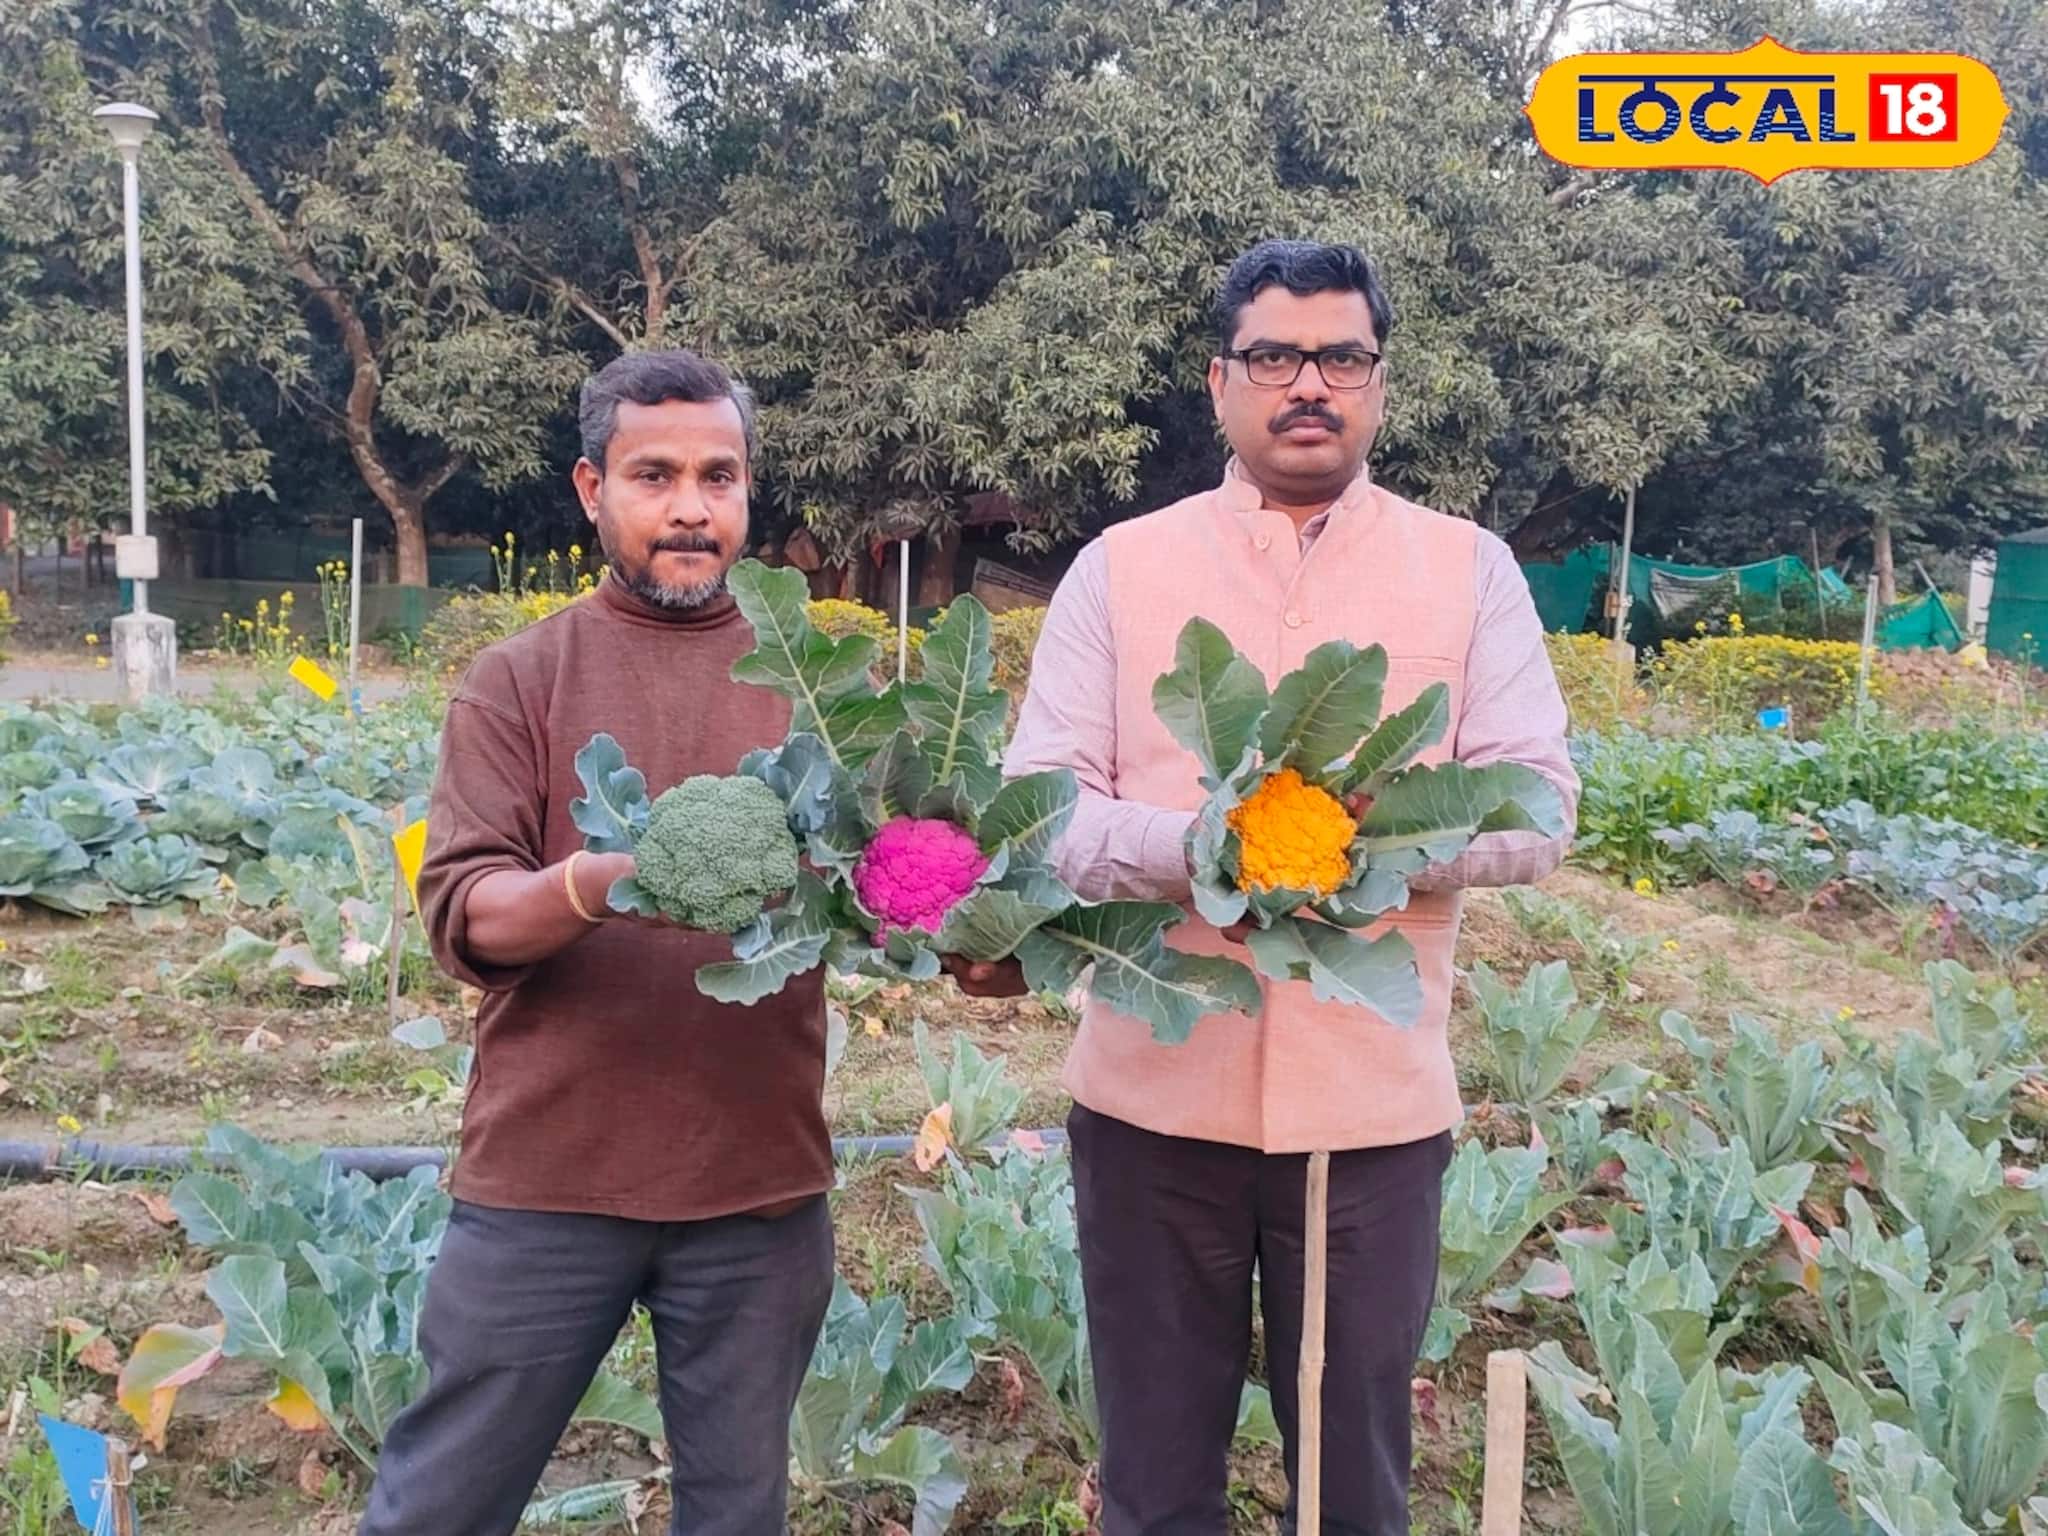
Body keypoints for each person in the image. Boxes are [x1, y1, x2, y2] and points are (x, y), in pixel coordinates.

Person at [977, 240, 1579, 1534]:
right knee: (1152, 1473)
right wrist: (1212, 842)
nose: (1309, 384)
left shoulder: (1466, 569)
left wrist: (1367, 852)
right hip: (1152, 1097)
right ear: (1220, 382)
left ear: (1378, 381)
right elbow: (1045, 807)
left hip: (1367, 1114)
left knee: (1354, 1477)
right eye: (1275, 357)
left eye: (1341, 358)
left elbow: (1537, 804)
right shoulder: (1122, 570)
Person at [361, 350, 834, 1536]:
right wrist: (596, 882)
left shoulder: (818, 686)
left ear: (747, 489)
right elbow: (463, 915)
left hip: (757, 1188)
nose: (689, 507)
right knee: (441, 1503)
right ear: (590, 488)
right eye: (654, 474)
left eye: (717, 476)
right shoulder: (517, 679)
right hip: (546, 1182)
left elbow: (878, 883)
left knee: (737, 1513)